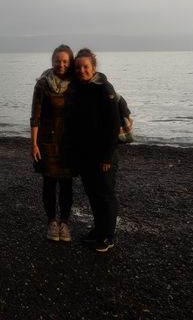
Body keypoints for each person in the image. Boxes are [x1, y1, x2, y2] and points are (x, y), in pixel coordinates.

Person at [71, 48, 121, 253]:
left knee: (105, 195)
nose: (82, 70)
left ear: (93, 67)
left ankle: (108, 237)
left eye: (85, 67)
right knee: (93, 193)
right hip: (86, 154)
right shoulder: (80, 88)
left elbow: (113, 125)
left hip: (103, 155)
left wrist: (107, 155)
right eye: (78, 67)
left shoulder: (104, 89)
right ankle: (98, 230)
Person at [30, 44, 76, 242]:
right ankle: (51, 223)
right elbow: (35, 116)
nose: (61, 64)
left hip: (69, 142)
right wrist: (34, 144)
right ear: (52, 61)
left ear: (70, 62)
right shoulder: (43, 84)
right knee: (49, 182)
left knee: (67, 184)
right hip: (47, 141)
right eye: (58, 60)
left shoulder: (77, 83)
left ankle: (64, 224)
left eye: (65, 61)